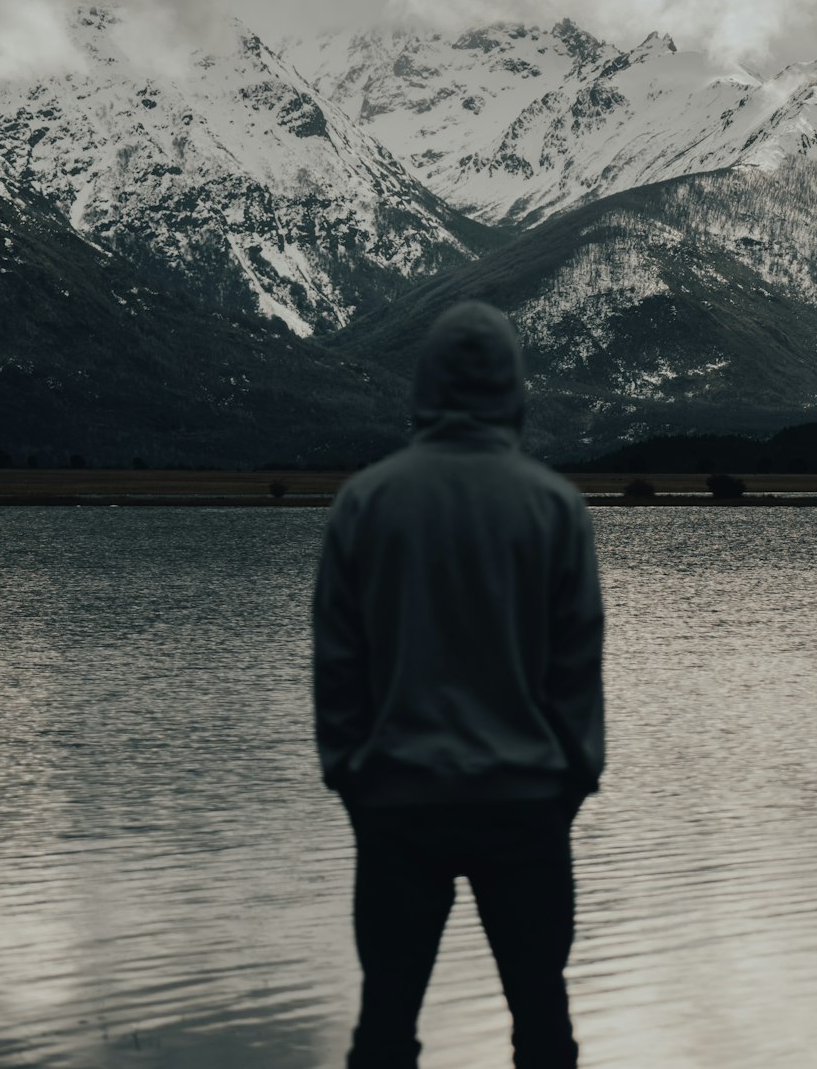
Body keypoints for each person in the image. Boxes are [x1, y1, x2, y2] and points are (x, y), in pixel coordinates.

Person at [312, 300, 605, 1069]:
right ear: (515, 388)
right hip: (527, 804)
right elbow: (575, 670)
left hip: (399, 802)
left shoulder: (367, 502)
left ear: (424, 387)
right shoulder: (554, 507)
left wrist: (350, 771)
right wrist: (572, 777)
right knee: (543, 1023)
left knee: (385, 1028)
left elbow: (339, 664)